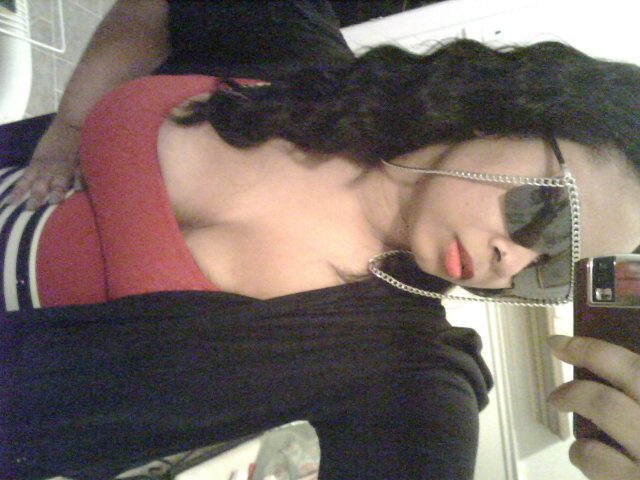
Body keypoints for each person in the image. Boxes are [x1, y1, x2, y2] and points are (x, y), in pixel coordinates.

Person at [2, 1, 640, 480]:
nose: (513, 259)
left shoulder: (409, 368)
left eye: (552, 267)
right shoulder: (298, 68)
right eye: (548, 214)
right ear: (515, 112)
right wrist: (70, 125)